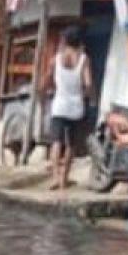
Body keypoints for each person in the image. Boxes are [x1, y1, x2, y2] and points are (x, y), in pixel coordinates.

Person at [44, 27, 93, 190]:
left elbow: (46, 79)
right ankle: (64, 179)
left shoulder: (56, 59)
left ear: (65, 41)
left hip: (59, 105)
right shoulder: (83, 59)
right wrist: (88, 96)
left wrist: (44, 89)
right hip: (76, 107)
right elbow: (88, 84)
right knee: (71, 144)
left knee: (56, 142)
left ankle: (55, 177)